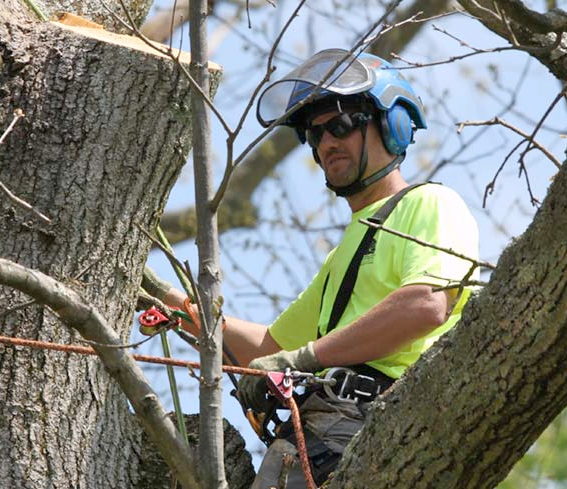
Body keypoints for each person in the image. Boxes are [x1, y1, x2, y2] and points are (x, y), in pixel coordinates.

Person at [162, 48, 480, 488]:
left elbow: (425, 304)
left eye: (342, 125)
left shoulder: (429, 203)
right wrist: (171, 304)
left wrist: (308, 357)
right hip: (312, 438)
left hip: (371, 426)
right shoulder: (346, 251)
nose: (327, 143)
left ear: (393, 125)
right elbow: (269, 349)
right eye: (314, 135)